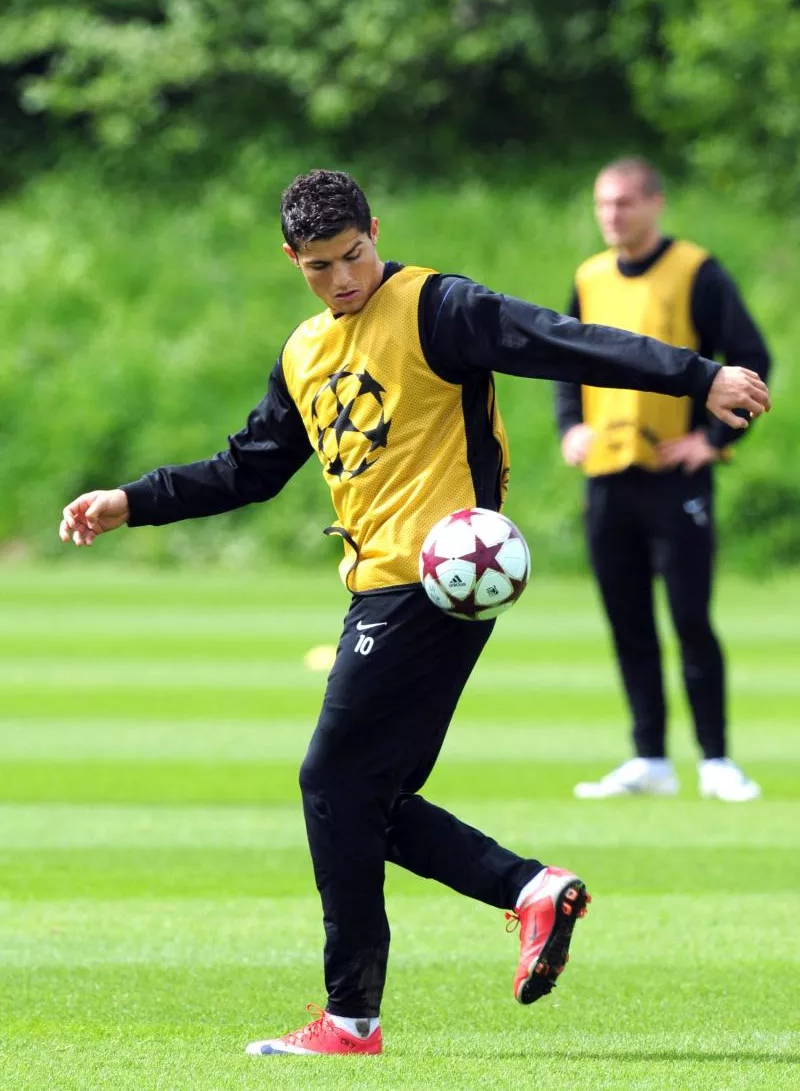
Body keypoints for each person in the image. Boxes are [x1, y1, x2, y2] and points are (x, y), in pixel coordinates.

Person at [60, 169, 770, 1057]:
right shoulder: (304, 351)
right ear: (294, 260)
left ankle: (351, 1017)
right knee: (369, 802)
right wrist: (133, 499)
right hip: (376, 589)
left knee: (330, 782)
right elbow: (249, 467)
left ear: (374, 231)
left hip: (434, 582)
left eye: (353, 255)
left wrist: (697, 374)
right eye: (319, 266)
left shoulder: (437, 306)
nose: (342, 278)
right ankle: (531, 891)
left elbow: (562, 341)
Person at [555, 156, 772, 804]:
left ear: (655, 203)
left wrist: (713, 439)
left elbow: (752, 357)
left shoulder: (695, 271)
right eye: (603, 204)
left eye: (623, 202)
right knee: (627, 622)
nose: (612, 215)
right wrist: (570, 424)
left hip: (673, 479)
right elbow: (563, 355)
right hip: (607, 478)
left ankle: (716, 760)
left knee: (689, 618)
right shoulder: (589, 277)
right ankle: (649, 756)